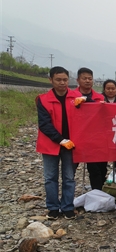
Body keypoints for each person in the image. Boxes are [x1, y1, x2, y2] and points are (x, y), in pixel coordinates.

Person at [37, 66, 78, 220]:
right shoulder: (43, 100)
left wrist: (89, 101)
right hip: (50, 144)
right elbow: (44, 124)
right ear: (51, 80)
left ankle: (67, 207)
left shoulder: (76, 98)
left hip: (71, 145)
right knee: (50, 177)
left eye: (65, 80)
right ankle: (53, 207)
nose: (62, 83)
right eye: (58, 80)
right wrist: (61, 140)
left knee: (69, 177)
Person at [74, 68, 106, 190]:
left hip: (94, 139)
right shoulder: (70, 96)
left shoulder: (99, 97)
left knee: (96, 169)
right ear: (78, 80)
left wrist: (88, 100)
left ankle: (97, 193)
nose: (87, 81)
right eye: (84, 78)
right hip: (75, 137)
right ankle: (67, 197)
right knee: (70, 170)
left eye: (90, 78)